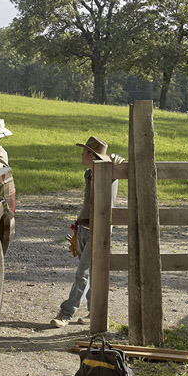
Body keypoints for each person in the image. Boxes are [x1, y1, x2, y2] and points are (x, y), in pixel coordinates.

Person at [52, 135, 124, 328]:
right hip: (84, 228)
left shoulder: (108, 173)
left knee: (82, 274)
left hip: (98, 231)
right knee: (90, 274)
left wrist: (116, 162)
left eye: (84, 152)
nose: (81, 154)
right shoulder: (89, 173)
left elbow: (117, 169)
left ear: (92, 155)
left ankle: (66, 313)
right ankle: (95, 313)